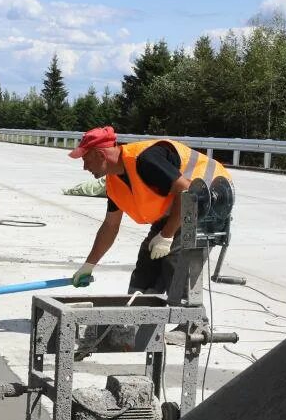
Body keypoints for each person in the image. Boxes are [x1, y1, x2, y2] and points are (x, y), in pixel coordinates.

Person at [67, 126, 232, 296]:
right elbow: (110, 225)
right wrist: (89, 265)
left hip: (210, 200)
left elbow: (188, 193)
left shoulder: (146, 160)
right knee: (148, 261)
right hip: (179, 208)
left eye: (86, 160)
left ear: (101, 154)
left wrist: (166, 236)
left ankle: (190, 319)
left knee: (176, 262)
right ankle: (137, 317)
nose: (85, 167)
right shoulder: (114, 182)